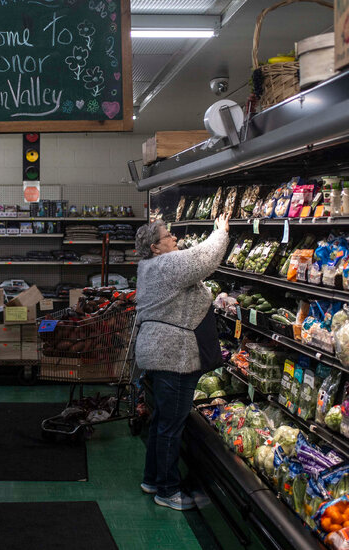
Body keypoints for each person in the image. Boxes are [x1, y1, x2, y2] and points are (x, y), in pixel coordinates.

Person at [133, 212, 230, 510]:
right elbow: (205, 258)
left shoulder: (152, 266)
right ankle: (168, 490)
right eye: (168, 236)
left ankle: (152, 479)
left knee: (162, 419)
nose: (174, 238)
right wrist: (221, 231)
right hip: (172, 354)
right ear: (156, 247)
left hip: (159, 350)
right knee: (171, 425)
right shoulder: (166, 265)